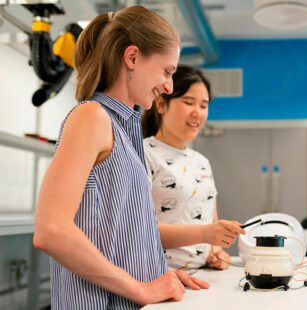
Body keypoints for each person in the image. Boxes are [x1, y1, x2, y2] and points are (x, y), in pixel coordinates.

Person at [33, 6, 208, 309]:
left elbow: (120, 234)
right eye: (166, 71)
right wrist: (142, 290)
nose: (168, 85)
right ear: (132, 58)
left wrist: (159, 273)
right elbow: (51, 231)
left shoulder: (125, 128)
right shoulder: (91, 117)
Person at [142, 65, 245, 270]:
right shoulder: (143, 154)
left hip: (202, 277)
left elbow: (210, 222)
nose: (197, 113)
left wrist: (216, 251)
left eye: (204, 105)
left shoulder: (201, 162)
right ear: (161, 104)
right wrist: (206, 233)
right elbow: (138, 231)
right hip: (160, 277)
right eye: (189, 103)